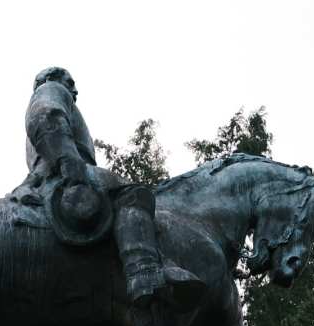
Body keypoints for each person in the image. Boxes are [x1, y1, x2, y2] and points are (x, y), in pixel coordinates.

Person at [11, 67, 201, 309]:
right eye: (69, 82)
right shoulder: (51, 90)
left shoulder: (55, 96)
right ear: (49, 80)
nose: (74, 89)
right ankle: (145, 273)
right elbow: (45, 117)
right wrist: (68, 161)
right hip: (63, 171)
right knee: (131, 194)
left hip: (51, 172)